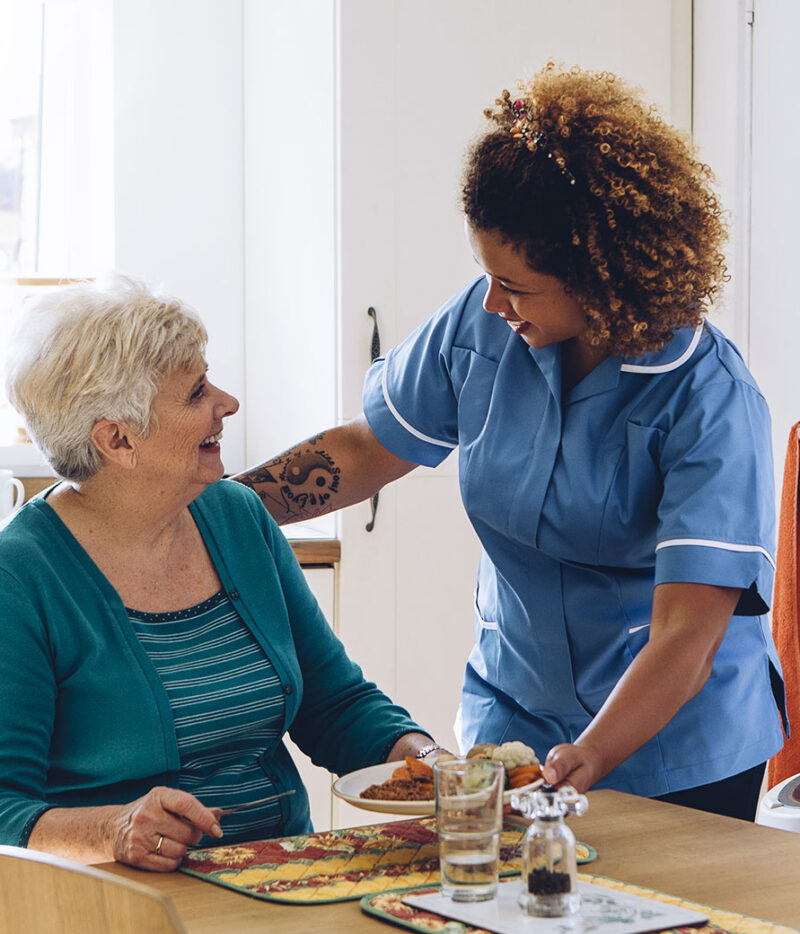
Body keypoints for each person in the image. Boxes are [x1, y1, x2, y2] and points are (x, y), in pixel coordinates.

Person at [236, 62, 786, 821]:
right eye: (485, 275)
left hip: (674, 749)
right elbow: (366, 450)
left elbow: (687, 634)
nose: (493, 302)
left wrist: (592, 754)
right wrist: (218, 510)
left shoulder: (709, 398)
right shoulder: (484, 323)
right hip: (515, 720)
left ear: (602, 275)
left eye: (517, 286)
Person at [0, 277, 441, 871]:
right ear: (118, 439)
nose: (227, 403)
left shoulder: (236, 516)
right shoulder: (21, 576)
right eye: (196, 392)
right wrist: (114, 828)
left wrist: (432, 763)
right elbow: (5, 810)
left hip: (281, 874)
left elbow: (334, 705)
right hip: (119, 907)